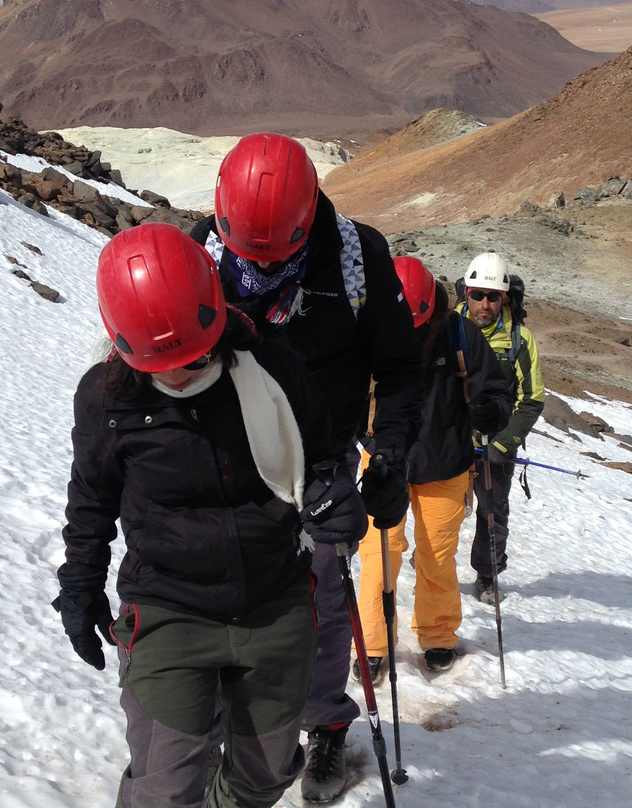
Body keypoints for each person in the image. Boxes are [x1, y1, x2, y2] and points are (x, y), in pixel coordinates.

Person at [55, 223, 369, 808]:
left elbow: (322, 452)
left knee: (265, 777)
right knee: (165, 788)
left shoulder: (270, 364)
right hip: (169, 608)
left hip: (274, 601)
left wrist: (335, 498)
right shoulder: (106, 400)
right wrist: (79, 582)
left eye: (194, 357)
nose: (178, 373)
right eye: (160, 362)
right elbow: (92, 499)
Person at [189, 132, 424, 804]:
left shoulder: (356, 259)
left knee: (319, 597)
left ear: (306, 218)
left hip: (320, 456)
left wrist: (392, 450)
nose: (254, 267)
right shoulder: (204, 250)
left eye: (274, 256)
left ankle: (322, 721)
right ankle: (214, 725)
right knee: (219, 588)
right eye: (244, 253)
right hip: (228, 452)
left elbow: (401, 367)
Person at [355, 256, 512, 679]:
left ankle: (438, 636)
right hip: (385, 463)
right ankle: (373, 643)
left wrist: (489, 410)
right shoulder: (370, 331)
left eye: (419, 326)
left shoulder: (461, 336)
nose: (412, 335)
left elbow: (498, 391)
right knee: (378, 556)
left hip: (445, 466)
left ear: (434, 313)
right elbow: (345, 388)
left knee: (437, 557)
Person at [458, 252, 545, 605]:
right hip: (452, 442)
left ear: (504, 298)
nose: (484, 304)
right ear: (466, 293)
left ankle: (487, 574)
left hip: (496, 447)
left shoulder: (520, 341)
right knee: (442, 510)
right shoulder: (448, 329)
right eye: (477, 294)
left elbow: (532, 399)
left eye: (492, 296)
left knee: (492, 512)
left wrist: (505, 443)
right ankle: (432, 568)